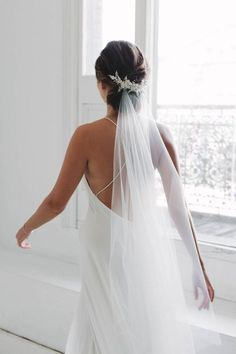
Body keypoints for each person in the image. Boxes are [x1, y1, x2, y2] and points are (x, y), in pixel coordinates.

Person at [16, 40, 221, 353]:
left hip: (102, 247)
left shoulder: (86, 135)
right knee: (139, 320)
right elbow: (179, 207)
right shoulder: (161, 134)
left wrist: (26, 228)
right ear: (141, 83)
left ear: (102, 85)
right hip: (142, 245)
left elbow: (57, 202)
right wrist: (199, 265)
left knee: (100, 321)